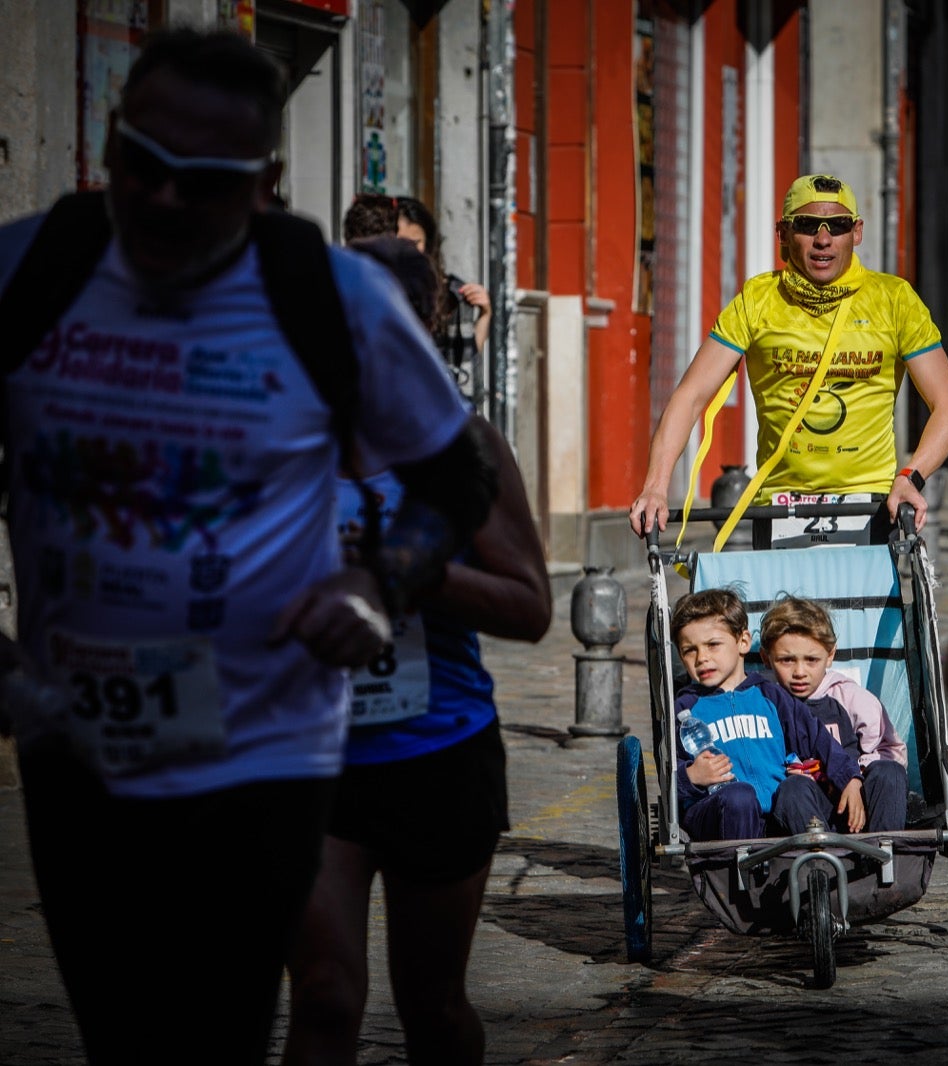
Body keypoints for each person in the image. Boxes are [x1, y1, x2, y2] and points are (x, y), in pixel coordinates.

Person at [0, 28, 497, 1064]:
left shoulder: (334, 299)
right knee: (118, 1032)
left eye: (209, 181)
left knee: (223, 1024)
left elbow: (459, 481)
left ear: (266, 182)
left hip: (262, 742)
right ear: (110, 141)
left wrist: (376, 580)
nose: (169, 200)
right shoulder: (28, 270)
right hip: (74, 739)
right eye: (147, 166)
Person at [283, 236, 552, 1066]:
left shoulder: (465, 448)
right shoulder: (281, 445)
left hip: (437, 753)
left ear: (423, 325)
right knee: (325, 998)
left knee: (431, 1007)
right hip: (307, 758)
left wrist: (403, 576)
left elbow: (531, 608)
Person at [629, 173, 948, 538]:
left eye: (837, 226)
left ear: (856, 232)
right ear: (784, 234)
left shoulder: (894, 299)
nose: (823, 240)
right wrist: (655, 486)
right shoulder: (758, 300)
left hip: (870, 503)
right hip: (778, 505)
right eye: (807, 225)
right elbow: (690, 395)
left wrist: (910, 477)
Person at [672, 587, 864, 840]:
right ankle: (738, 872)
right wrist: (691, 776)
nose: (702, 658)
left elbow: (819, 740)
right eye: (690, 650)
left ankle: (821, 864)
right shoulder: (685, 709)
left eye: (712, 645)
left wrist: (850, 778)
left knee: (795, 790)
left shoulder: (770, 696)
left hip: (777, 813)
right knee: (739, 796)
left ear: (743, 642)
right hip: (720, 814)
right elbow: (671, 772)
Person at [758, 595, 908, 832]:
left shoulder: (852, 698)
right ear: (767, 659)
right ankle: (819, 863)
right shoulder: (765, 704)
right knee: (793, 789)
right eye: (786, 660)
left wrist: (858, 774)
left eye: (811, 660)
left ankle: (885, 854)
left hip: (859, 802)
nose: (800, 672)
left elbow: (891, 751)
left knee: (889, 772)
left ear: (830, 655)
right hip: (806, 808)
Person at [396, 195, 492, 374]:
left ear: (428, 244)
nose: (407, 250)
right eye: (399, 242)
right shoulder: (375, 289)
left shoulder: (448, 293)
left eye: (415, 243)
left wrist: (485, 314)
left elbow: (464, 364)